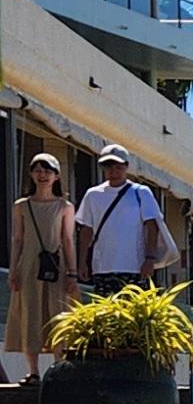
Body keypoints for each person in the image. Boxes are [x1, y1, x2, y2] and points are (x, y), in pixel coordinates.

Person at [3, 153, 78, 366]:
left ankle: (59, 365)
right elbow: (17, 239)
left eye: (47, 170)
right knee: (30, 312)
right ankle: (33, 371)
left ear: (56, 176)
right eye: (38, 170)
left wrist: (72, 272)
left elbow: (68, 240)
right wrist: (13, 270)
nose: (42, 175)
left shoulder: (65, 206)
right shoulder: (21, 206)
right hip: (28, 265)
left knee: (59, 312)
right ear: (31, 174)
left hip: (56, 266)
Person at [74, 145, 174, 287]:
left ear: (126, 166)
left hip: (134, 266)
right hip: (102, 266)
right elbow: (86, 229)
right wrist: (82, 262)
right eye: (108, 166)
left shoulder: (141, 192)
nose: (113, 170)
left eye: (118, 166)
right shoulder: (93, 194)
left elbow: (152, 226)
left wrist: (150, 258)